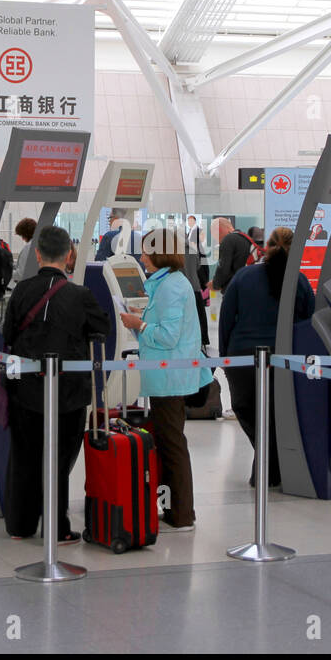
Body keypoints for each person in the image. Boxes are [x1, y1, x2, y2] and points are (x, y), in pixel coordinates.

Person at [2, 226, 110, 541]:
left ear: (37, 255)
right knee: (59, 461)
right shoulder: (79, 295)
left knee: (24, 456)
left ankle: (19, 526)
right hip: (68, 393)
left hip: (26, 389)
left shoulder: (22, 290)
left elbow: (8, 334)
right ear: (69, 256)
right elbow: (101, 326)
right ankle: (57, 528)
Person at [119, 227, 213, 531]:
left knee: (172, 443)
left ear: (159, 254)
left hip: (169, 376)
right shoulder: (168, 283)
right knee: (171, 441)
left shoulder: (171, 286)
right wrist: (142, 321)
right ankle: (179, 510)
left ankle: (182, 514)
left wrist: (140, 323)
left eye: (146, 251)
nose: (142, 257)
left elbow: (168, 337)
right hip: (167, 374)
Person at [219, 227, 312, 487]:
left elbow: (226, 321)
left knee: (249, 412)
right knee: (277, 415)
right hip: (284, 360)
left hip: (242, 360)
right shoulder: (299, 281)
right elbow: (308, 322)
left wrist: (226, 360)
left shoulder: (243, 277)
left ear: (264, 247)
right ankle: (273, 468)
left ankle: (267, 468)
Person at [12, 218, 37, 285]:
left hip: (28, 285)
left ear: (26, 234)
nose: (22, 239)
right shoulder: (39, 244)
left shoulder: (29, 247)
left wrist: (7, 272)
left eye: (22, 235)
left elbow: (21, 274)